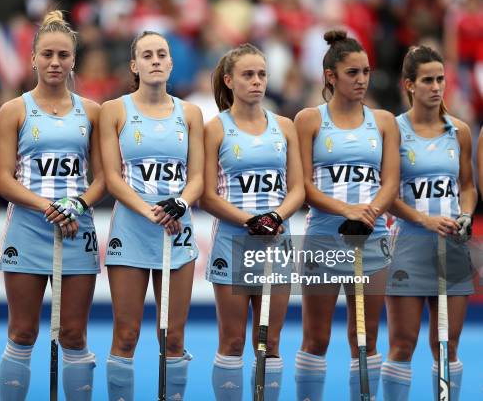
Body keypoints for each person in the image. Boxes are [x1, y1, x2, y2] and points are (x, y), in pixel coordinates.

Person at [0, 11, 104, 401]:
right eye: (47, 55)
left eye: (63, 55)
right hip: (28, 229)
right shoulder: (14, 110)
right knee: (22, 332)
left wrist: (76, 204)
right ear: (33, 58)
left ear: (74, 60)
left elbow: (103, 179)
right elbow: (3, 179)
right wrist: (47, 207)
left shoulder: (92, 112)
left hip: (77, 230)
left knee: (73, 334)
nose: (55, 63)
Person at [295, 30, 400, 401]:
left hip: (372, 238)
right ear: (330, 76)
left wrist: (368, 214)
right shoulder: (309, 120)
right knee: (316, 337)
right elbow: (303, 187)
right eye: (352, 72)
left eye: (366, 72)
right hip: (324, 237)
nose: (361, 80)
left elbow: (390, 183)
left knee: (366, 337)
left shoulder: (385, 121)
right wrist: (347, 211)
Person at [99, 30, 204, 401]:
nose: (155, 60)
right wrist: (149, 210)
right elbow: (112, 177)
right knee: (126, 334)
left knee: (173, 337)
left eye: (162, 53)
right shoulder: (114, 110)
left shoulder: (190, 113)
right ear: (135, 65)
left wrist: (181, 203)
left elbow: (197, 178)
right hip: (132, 227)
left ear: (171, 63)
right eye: (147, 55)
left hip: (178, 229)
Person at [200, 43, 304, 400]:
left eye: (261, 74)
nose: (257, 81)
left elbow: (297, 190)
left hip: (277, 242)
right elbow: (207, 195)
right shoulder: (215, 129)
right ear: (229, 80)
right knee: (232, 340)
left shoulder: (285, 126)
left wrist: (275, 217)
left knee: (270, 341)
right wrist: (249, 220)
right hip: (233, 242)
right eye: (248, 75)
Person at [381, 45, 477, 401]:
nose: (436, 87)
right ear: (409, 85)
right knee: (402, 345)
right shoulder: (392, 129)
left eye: (440, 79)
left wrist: (464, 214)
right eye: (427, 80)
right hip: (407, 244)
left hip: (451, 247)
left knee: (448, 345)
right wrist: (424, 219)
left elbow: (467, 187)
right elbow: (386, 195)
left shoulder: (460, 132)